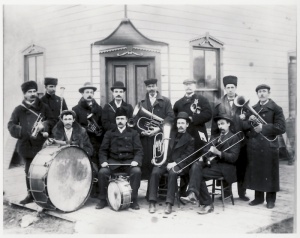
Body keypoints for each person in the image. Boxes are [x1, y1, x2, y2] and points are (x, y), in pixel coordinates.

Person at [180, 114, 241, 214]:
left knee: (196, 173)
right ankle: (198, 197)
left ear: (228, 124)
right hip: (213, 165)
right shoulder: (215, 137)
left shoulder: (235, 138)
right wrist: (204, 155)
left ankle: (199, 198)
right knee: (195, 166)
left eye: (222, 124)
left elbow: (233, 158)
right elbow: (205, 151)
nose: (220, 126)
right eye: (219, 124)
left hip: (226, 168)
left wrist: (218, 152)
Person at [8, 81, 55, 205]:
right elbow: (11, 125)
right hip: (26, 144)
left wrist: (43, 125)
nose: (33, 94)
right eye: (30, 92)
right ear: (24, 94)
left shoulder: (44, 107)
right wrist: (23, 131)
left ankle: (47, 194)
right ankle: (31, 194)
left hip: (42, 144)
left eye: (34, 91)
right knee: (29, 170)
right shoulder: (19, 109)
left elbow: (52, 120)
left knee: (45, 170)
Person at [242, 84, 285, 209]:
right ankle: (258, 198)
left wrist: (264, 128)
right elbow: (247, 127)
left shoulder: (276, 108)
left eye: (264, 91)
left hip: (269, 145)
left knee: (270, 173)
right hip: (255, 145)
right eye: (259, 92)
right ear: (257, 94)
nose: (262, 94)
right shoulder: (253, 108)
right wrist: (250, 120)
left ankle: (271, 200)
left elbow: (281, 128)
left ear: (269, 93)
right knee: (257, 172)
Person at [96, 107, 143, 210]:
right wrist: (103, 161)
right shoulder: (109, 133)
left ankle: (134, 199)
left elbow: (139, 150)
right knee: (102, 172)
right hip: (113, 162)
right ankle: (102, 199)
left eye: (122, 119)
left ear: (126, 120)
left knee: (137, 171)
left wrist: (136, 161)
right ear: (115, 120)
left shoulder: (133, 133)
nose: (120, 121)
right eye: (118, 119)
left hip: (129, 162)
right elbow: (103, 150)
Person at [211, 75, 249, 201]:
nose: (231, 90)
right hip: (225, 140)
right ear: (225, 89)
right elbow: (214, 125)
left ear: (236, 87)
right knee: (226, 165)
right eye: (228, 87)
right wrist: (215, 140)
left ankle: (242, 193)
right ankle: (226, 192)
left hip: (240, 140)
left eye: (233, 87)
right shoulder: (218, 104)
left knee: (241, 166)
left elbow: (249, 123)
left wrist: (245, 119)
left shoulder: (243, 103)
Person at [148, 112, 194, 214]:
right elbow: (163, 151)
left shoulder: (190, 139)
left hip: (180, 164)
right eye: (178, 123)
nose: (180, 125)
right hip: (166, 162)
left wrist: (175, 163)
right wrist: (157, 156)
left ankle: (169, 203)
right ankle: (152, 201)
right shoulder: (170, 134)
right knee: (155, 171)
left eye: (182, 123)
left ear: (187, 124)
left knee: (173, 173)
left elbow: (188, 156)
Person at [173, 79, 212, 196]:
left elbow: (208, 114)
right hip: (184, 137)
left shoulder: (202, 100)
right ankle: (183, 191)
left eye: (191, 85)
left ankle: (197, 191)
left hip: (198, 136)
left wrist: (193, 119)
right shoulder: (178, 103)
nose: (188, 87)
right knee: (185, 160)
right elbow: (175, 120)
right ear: (184, 87)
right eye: (186, 85)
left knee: (196, 163)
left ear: (194, 86)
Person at [135, 78, 175, 186]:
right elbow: (137, 121)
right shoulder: (142, 103)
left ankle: (161, 191)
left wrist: (158, 128)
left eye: (153, 86)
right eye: (149, 86)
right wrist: (142, 132)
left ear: (157, 87)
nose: (151, 88)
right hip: (146, 139)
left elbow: (171, 117)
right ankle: (149, 192)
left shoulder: (165, 101)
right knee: (147, 163)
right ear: (146, 88)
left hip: (159, 137)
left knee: (159, 162)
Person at [72, 82, 103, 166]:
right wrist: (87, 129)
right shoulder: (75, 109)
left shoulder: (99, 108)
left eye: (91, 92)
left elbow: (102, 123)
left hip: (96, 142)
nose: (89, 94)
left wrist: (100, 130)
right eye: (87, 92)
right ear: (82, 94)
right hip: (83, 142)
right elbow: (75, 127)